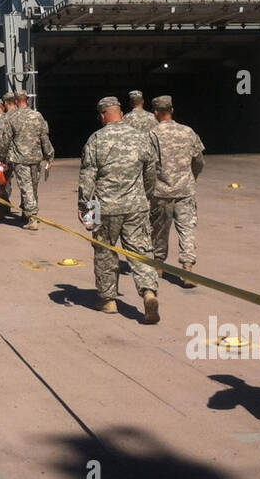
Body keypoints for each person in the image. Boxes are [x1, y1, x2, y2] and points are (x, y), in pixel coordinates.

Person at [77, 96, 161, 322]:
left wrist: (84, 205)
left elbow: (88, 176)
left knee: (105, 252)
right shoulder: (141, 138)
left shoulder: (96, 139)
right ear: (121, 114)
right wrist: (147, 195)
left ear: (103, 116)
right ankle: (148, 292)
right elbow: (150, 171)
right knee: (140, 251)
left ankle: (108, 300)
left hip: (106, 208)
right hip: (136, 206)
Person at [148, 95, 205, 288]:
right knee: (186, 229)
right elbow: (199, 160)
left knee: (159, 230)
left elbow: (147, 165)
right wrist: (191, 178)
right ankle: (187, 268)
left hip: (161, 191)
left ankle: (158, 265)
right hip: (185, 190)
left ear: (156, 112)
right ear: (172, 109)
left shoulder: (152, 134)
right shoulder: (188, 131)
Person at [0, 89, 53, 231]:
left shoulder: (11, 117)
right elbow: (44, 137)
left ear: (16, 101)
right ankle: (28, 212)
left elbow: (6, 140)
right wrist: (49, 155)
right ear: (27, 100)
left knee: (26, 187)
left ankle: (32, 217)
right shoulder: (37, 116)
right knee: (33, 186)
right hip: (36, 158)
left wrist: (1, 157)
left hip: (20, 158)